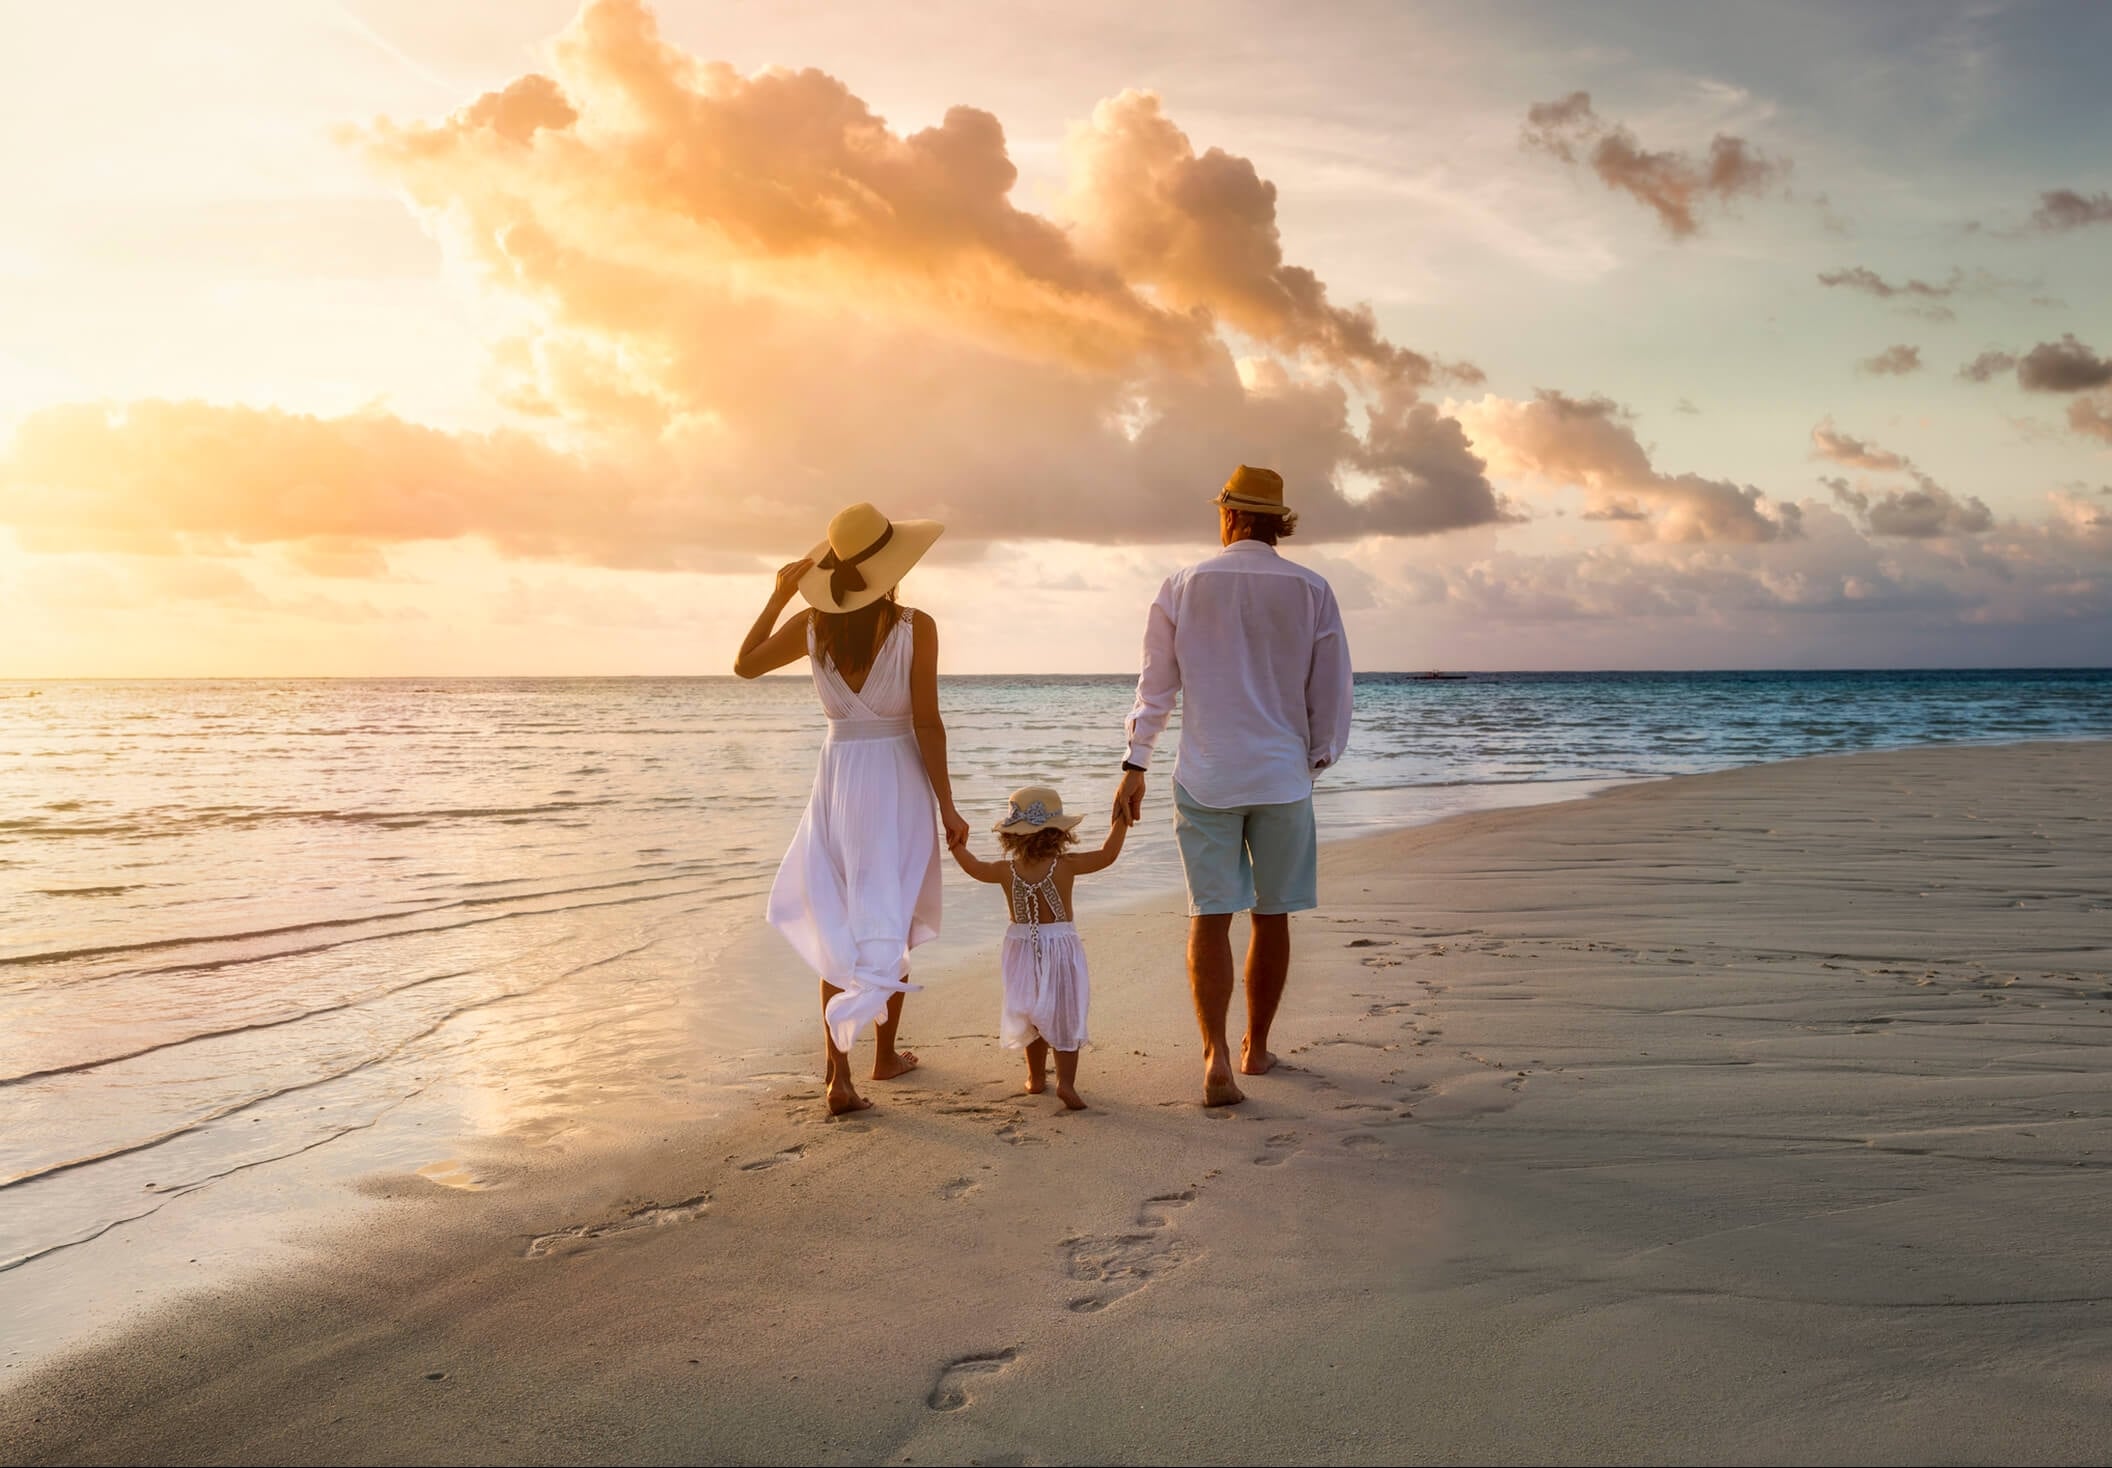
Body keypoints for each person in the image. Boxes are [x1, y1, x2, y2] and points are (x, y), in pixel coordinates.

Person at [1113, 466, 1354, 1107]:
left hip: (1206, 773)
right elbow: (1330, 689)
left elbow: (1155, 687)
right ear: (1277, 522)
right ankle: (1255, 1046)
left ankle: (1214, 1053)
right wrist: (1317, 758)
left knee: (1209, 915)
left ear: (1229, 516)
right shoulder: (1312, 589)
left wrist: (1135, 764)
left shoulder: (1182, 585)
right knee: (1271, 915)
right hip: (1280, 775)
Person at [734, 502, 970, 1116]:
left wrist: (778, 597)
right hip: (896, 777)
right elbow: (927, 722)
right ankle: (884, 1056)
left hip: (837, 780)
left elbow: (745, 664)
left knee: (839, 918)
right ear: (893, 566)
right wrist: (948, 805)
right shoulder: (917, 625)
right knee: (888, 907)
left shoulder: (813, 626)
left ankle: (838, 1076)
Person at [948, 785, 1128, 1111]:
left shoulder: (1006, 871)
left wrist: (956, 843)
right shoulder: (1066, 865)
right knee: (1064, 1014)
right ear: (1058, 832)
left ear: (1012, 836)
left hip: (1020, 949)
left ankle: (1034, 1079)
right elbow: (1107, 855)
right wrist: (1121, 820)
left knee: (1031, 1013)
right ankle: (1066, 1084)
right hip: (1060, 946)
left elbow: (973, 867)